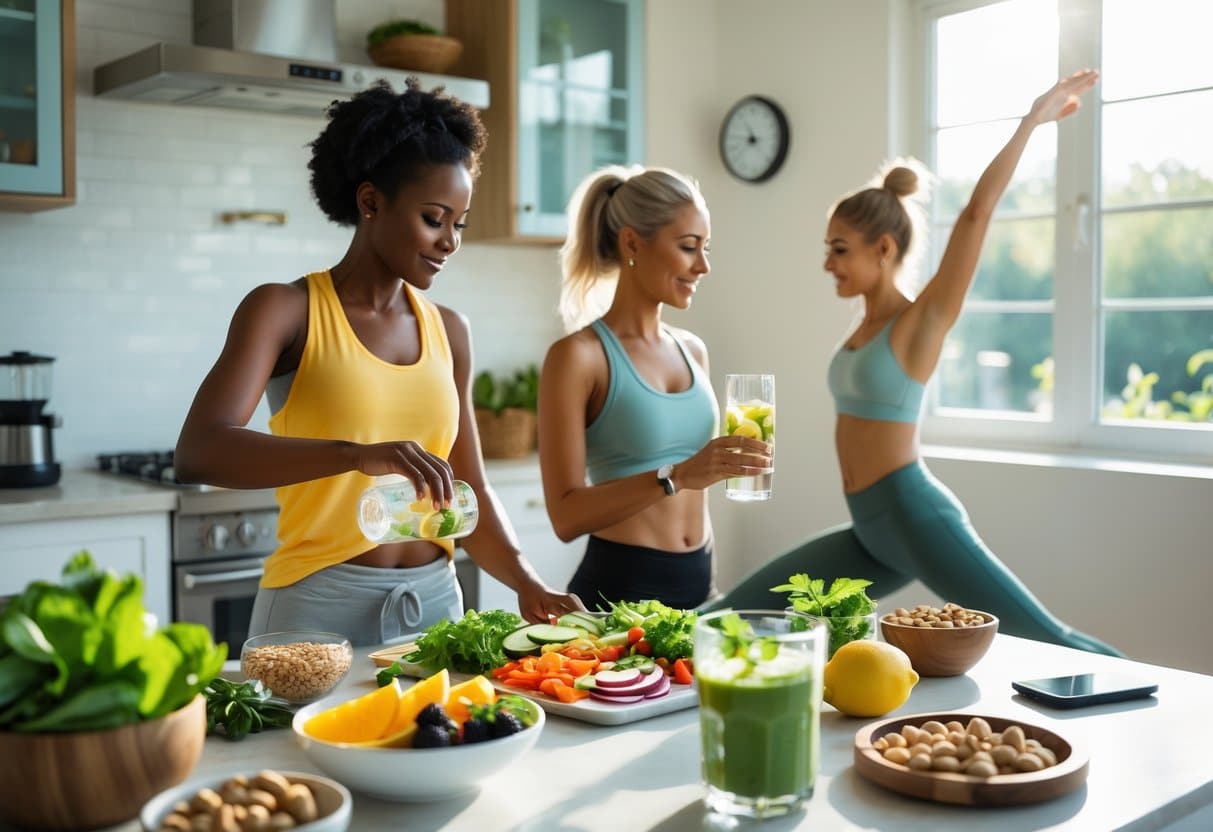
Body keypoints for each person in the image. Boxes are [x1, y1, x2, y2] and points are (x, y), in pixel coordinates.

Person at [707, 70, 1121, 655]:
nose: (829, 264)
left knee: (1049, 640)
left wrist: (1032, 122)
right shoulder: (862, 329)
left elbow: (975, 214)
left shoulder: (920, 323)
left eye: (840, 250)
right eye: (827, 250)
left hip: (914, 516)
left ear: (884, 249)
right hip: (870, 530)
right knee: (736, 614)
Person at [175, 79, 582, 647]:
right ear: (371, 202)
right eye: (435, 218)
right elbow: (200, 450)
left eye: (458, 224)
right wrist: (357, 455)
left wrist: (528, 581)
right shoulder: (285, 310)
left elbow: (470, 488)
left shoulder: (451, 330)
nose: (450, 242)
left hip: (437, 604)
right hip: (315, 608)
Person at [538, 166, 773, 610]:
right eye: (688, 248)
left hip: (699, 586)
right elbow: (566, 518)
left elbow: (700, 489)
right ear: (632, 242)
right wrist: (680, 475)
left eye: (705, 249)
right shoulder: (579, 356)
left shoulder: (693, 350)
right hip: (621, 593)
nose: (702, 266)